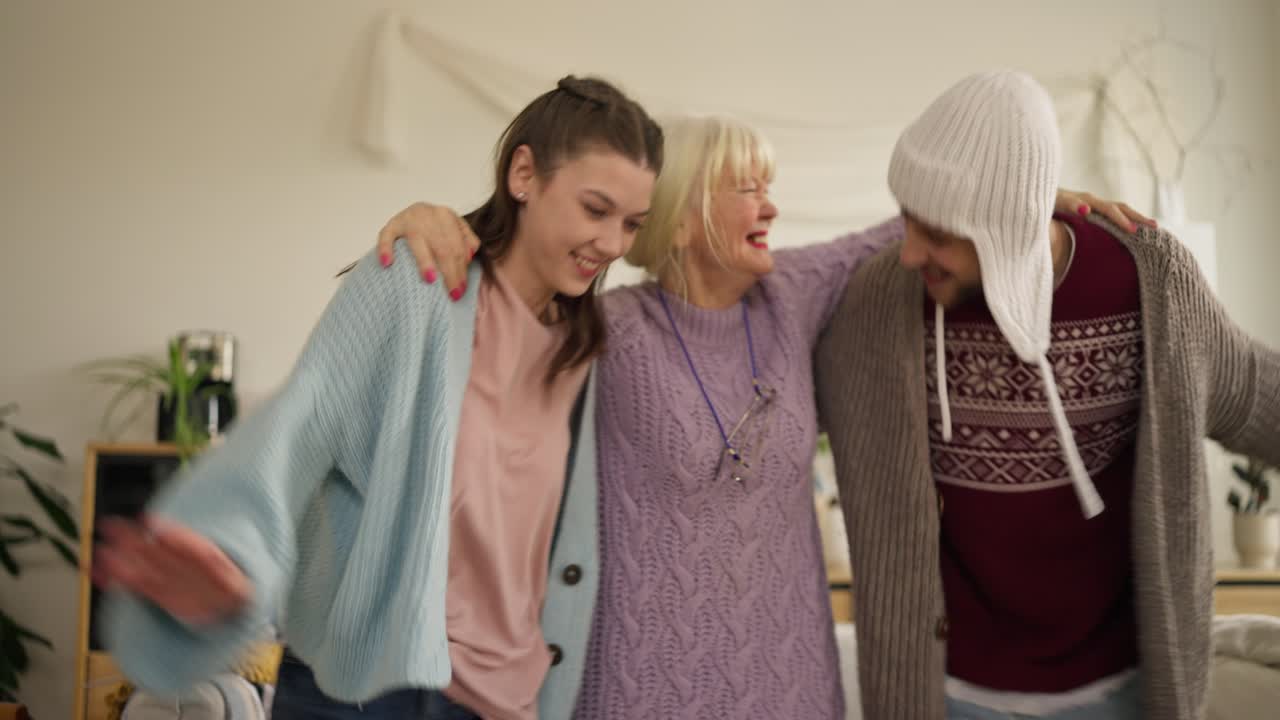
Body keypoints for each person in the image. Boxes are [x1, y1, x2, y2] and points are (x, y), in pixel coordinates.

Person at [374, 114, 1150, 717]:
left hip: (791, 688)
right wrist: (432, 223)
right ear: (680, 218)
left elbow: (903, 230)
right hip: (637, 691)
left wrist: (1026, 198)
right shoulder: (611, 330)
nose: (771, 205)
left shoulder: (792, 297)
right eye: (746, 187)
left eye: (767, 185)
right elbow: (494, 310)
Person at [92, 75, 664, 720]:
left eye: (632, 224)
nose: (613, 244)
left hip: (506, 699)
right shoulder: (416, 287)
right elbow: (292, 432)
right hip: (368, 692)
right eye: (595, 209)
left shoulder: (589, 351)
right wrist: (229, 558)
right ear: (524, 174)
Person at [814, 70, 1280, 719]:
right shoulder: (879, 306)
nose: (910, 253)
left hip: (1123, 693)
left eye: (937, 234)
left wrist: (1031, 202)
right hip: (945, 695)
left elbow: (1259, 398)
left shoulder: (1149, 282)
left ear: (1008, 224)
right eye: (906, 221)